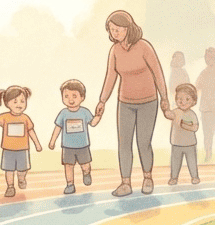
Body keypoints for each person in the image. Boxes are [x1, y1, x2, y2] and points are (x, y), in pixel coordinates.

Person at [95, 10, 168, 197]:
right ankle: (125, 183)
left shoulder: (144, 47)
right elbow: (110, 77)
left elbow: (158, 72)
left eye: (118, 29)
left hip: (148, 102)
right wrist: (102, 101)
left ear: (128, 28)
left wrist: (165, 98)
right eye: (111, 30)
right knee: (124, 143)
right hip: (125, 103)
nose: (114, 34)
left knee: (143, 142)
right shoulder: (115, 51)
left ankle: (147, 178)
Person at [48, 79, 100, 195]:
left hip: (83, 146)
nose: (70, 99)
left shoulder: (85, 112)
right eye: (66, 96)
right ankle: (70, 184)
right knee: (68, 166)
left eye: (74, 96)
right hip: (67, 147)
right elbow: (57, 127)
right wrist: (52, 141)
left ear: (82, 97)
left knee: (85, 165)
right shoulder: (63, 113)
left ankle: (86, 173)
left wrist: (98, 115)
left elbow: (93, 123)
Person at [0, 85, 42, 197]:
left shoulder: (25, 118)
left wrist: (37, 144)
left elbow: (31, 131)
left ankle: (21, 178)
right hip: (8, 150)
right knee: (9, 170)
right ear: (7, 103)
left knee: (22, 170)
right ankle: (10, 187)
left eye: (22, 101)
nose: (19, 104)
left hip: (23, 150)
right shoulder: (5, 117)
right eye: (15, 101)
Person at [165, 82, 201, 185]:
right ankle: (174, 178)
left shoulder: (191, 114)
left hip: (190, 144)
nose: (182, 102)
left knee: (192, 162)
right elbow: (169, 115)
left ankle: (195, 177)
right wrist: (165, 109)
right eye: (179, 99)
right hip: (176, 143)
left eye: (187, 99)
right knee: (175, 163)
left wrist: (184, 125)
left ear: (193, 101)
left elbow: (195, 127)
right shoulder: (175, 112)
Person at [195, 47, 215, 163]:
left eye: (212, 56)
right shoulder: (204, 72)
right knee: (207, 134)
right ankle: (208, 154)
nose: (209, 59)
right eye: (208, 57)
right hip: (206, 109)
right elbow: (196, 87)